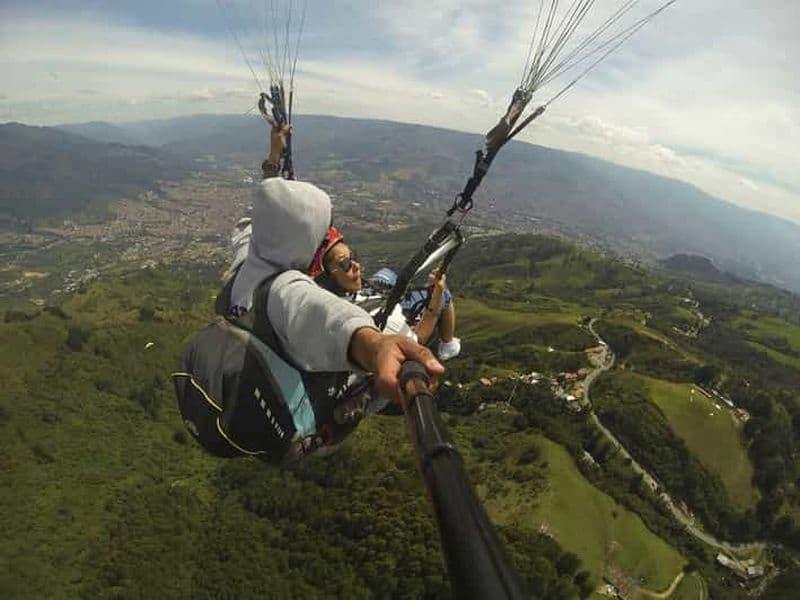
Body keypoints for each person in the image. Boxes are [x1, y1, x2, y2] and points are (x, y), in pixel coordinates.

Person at [173, 124, 443, 465]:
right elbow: (327, 318)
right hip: (307, 426)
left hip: (250, 386)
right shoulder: (287, 290)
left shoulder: (246, 259)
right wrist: (376, 346)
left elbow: (250, 221)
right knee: (370, 378)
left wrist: (273, 164)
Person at [309, 230, 460, 361]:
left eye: (353, 256)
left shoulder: (319, 299)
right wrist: (436, 300)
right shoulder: (377, 321)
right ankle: (447, 346)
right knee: (443, 294)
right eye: (346, 264)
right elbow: (416, 342)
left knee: (387, 273)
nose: (357, 265)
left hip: (365, 296)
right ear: (327, 280)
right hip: (379, 307)